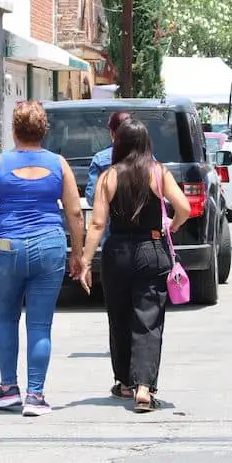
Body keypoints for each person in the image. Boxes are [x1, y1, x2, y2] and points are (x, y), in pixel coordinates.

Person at [0, 101, 85, 417]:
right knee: (40, 325)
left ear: (14, 130)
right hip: (49, 245)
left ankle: (7, 389)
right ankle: (35, 395)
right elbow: (73, 211)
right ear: (44, 130)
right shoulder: (59, 164)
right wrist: (78, 253)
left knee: (5, 318)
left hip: (7, 246)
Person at [79, 119, 190, 413]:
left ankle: (125, 383)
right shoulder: (159, 172)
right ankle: (144, 388)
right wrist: (172, 225)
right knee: (148, 319)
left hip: (118, 252)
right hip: (152, 249)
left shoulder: (108, 176)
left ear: (119, 143)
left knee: (119, 316)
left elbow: (99, 223)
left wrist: (85, 260)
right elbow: (185, 208)